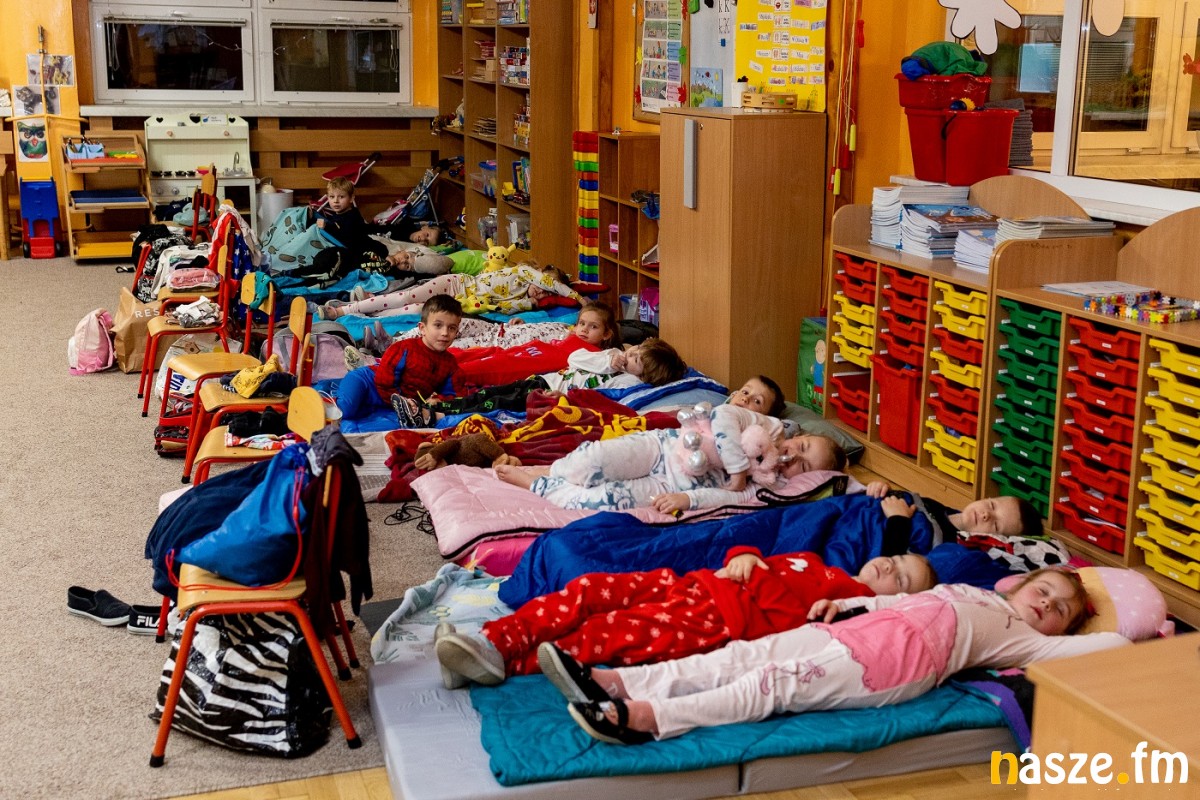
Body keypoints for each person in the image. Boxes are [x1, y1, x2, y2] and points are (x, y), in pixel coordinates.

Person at [559, 567, 1129, 745]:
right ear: (1020, 583)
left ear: (1063, 629)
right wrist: (849, 603)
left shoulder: (1029, 641)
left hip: (892, 664)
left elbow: (1116, 646)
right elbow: (900, 599)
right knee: (746, 654)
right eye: (1043, 591)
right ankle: (623, 683)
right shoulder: (973, 591)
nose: (1045, 604)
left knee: (774, 682)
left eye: (1058, 609)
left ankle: (653, 719)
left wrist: (1117, 610)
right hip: (856, 631)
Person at [434, 522, 937, 688]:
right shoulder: (818, 561)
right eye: (896, 559)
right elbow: (756, 557)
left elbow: (790, 629)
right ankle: (494, 640)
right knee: (589, 588)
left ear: (901, 600)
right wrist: (745, 556)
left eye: (901, 578)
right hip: (692, 584)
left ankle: (496, 664)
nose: (889, 567)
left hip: (717, 620)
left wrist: (756, 576)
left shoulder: (852, 606)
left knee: (610, 633)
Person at [494, 402, 848, 513]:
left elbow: (733, 498)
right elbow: (724, 414)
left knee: (600, 502)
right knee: (594, 458)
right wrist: (738, 466)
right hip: (663, 447)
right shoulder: (769, 428)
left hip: (671, 485)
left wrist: (688, 499)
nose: (792, 456)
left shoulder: (775, 485)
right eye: (802, 447)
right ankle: (549, 469)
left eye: (804, 466)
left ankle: (538, 484)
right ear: (798, 436)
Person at [393, 337, 688, 427]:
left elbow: (597, 398)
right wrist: (606, 360)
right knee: (489, 393)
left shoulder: (625, 382)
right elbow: (574, 358)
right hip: (544, 380)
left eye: (636, 360)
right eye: (635, 350)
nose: (629, 355)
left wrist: (616, 372)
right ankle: (433, 405)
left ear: (643, 376)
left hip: (548, 396)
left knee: (495, 404)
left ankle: (431, 416)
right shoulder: (610, 356)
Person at [335, 294, 463, 423]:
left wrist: (438, 399)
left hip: (395, 404)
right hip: (367, 383)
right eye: (438, 325)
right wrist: (403, 401)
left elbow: (453, 394)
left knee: (371, 419)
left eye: (452, 328)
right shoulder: (403, 348)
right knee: (345, 411)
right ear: (422, 328)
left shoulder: (450, 365)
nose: (445, 333)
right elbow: (383, 382)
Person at [452, 301, 621, 393]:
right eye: (582, 323)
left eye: (593, 327)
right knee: (486, 353)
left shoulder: (597, 354)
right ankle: (446, 359)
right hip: (531, 348)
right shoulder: (571, 334)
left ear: (606, 334)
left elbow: (615, 358)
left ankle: (448, 375)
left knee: (487, 367)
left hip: (534, 362)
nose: (584, 329)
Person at [316, 263, 582, 320]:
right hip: (457, 284)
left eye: (546, 294)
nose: (541, 291)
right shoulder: (523, 272)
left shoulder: (526, 301)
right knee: (407, 296)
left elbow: (501, 309)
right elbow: (551, 284)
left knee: (417, 310)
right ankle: (342, 310)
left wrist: (532, 303)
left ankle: (366, 313)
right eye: (543, 286)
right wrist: (577, 297)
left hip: (461, 303)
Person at [311, 177, 371, 254]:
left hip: (354, 252)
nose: (336, 201)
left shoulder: (352, 217)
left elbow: (346, 239)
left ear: (351, 198)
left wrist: (326, 227)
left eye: (341, 197)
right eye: (332, 197)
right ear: (327, 198)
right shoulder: (339, 214)